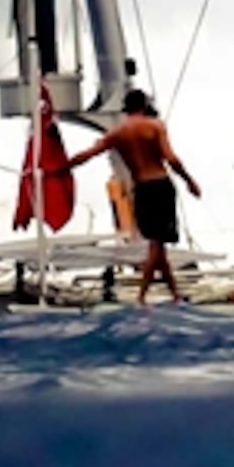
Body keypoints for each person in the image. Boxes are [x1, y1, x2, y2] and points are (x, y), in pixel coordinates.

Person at [65, 90, 204, 305]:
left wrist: (61, 167)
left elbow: (88, 154)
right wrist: (189, 180)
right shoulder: (155, 126)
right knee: (157, 245)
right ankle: (142, 297)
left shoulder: (118, 133)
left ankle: (175, 295)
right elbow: (171, 158)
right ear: (144, 105)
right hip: (160, 185)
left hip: (141, 189)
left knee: (157, 243)